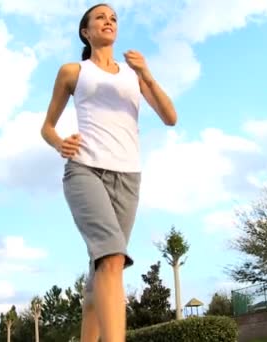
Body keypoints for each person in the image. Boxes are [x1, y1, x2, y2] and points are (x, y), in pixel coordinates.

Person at [40, 3, 177, 341]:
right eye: (100, 17)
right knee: (113, 257)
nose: (109, 21)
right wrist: (59, 143)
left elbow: (170, 116)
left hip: (128, 176)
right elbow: (47, 126)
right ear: (86, 32)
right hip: (85, 170)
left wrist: (147, 74)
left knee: (101, 271)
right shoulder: (73, 71)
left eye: (113, 18)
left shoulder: (133, 75)